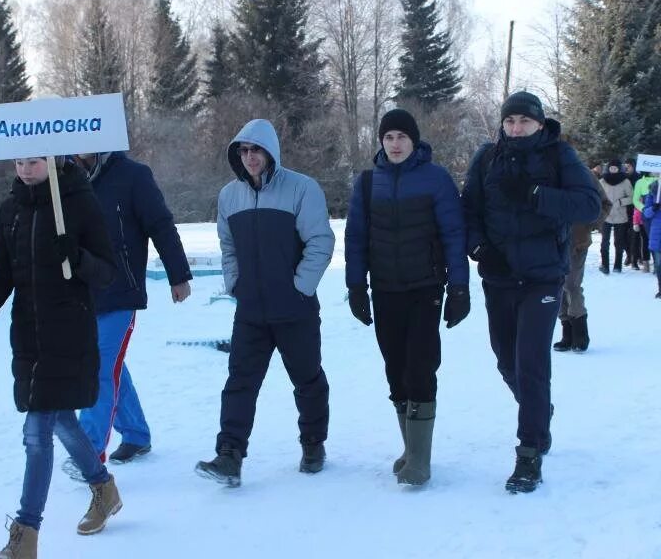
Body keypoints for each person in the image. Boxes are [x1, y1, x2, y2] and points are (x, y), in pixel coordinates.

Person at [0, 157, 122, 558]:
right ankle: (104, 488)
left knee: (37, 433)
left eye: (34, 161)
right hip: (30, 337)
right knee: (62, 422)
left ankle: (25, 533)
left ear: (53, 161)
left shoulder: (79, 202)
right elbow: (0, 274)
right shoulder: (12, 208)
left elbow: (108, 272)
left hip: (69, 333)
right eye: (20, 162)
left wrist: (79, 257)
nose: (26, 170)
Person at [461, 91, 600, 493]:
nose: (516, 128)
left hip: (542, 277)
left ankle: (529, 454)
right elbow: (468, 209)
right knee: (506, 360)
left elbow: (589, 205)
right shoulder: (487, 158)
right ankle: (539, 412)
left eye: (524, 121)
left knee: (531, 364)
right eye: (510, 122)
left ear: (540, 124)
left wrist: (537, 195)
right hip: (499, 276)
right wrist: (479, 248)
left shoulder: (559, 156)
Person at [195, 119, 335, 487]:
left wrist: (299, 288)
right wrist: (234, 283)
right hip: (251, 311)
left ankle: (313, 443)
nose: (249, 157)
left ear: (270, 151)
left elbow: (321, 241)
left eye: (255, 150)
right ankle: (230, 455)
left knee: (307, 380)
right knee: (240, 381)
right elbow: (228, 246)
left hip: (295, 309)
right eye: (243, 151)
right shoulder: (229, 196)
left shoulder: (302, 189)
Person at [344, 109, 469, 486]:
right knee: (395, 369)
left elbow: (453, 234)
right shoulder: (367, 184)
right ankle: (411, 449)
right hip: (384, 290)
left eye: (401, 137)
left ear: (414, 141)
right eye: (388, 137)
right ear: (380, 142)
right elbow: (355, 239)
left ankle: (421, 461)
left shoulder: (436, 179)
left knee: (420, 366)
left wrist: (459, 288)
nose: (395, 144)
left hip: (425, 289)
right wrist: (355, 287)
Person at [63, 151, 192, 479]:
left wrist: (178, 275)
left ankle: (88, 450)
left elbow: (160, 225)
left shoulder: (132, 175)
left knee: (98, 368)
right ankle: (135, 433)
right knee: (110, 365)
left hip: (120, 290)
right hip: (79, 292)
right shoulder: (61, 176)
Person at [553, 171, 611, 353]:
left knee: (571, 284)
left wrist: (590, 224)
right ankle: (566, 332)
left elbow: (605, 203)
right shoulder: (543, 170)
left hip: (576, 240)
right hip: (549, 240)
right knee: (557, 284)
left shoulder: (582, 173)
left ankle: (580, 332)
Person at [598, 159, 634, 274]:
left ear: (619, 168)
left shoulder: (625, 181)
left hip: (620, 216)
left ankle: (617, 265)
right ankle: (604, 265)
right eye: (611, 168)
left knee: (619, 242)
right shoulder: (602, 181)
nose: (613, 170)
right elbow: (596, 195)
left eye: (615, 168)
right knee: (604, 242)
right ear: (608, 168)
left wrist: (620, 202)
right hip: (606, 216)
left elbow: (632, 198)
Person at [632, 170, 655, 272]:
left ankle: (657, 264)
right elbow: (635, 200)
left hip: (657, 215)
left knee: (656, 240)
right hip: (644, 216)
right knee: (646, 240)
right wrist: (644, 209)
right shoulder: (640, 182)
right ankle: (646, 263)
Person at [642, 179, 661, 298]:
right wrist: (654, 208)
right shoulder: (654, 191)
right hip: (657, 232)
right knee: (659, 264)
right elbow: (646, 213)